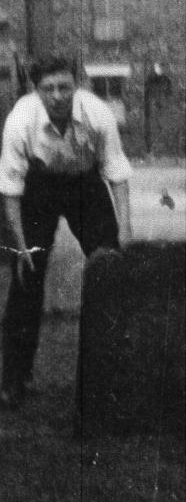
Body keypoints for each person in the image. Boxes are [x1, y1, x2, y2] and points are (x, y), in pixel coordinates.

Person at [0, 54, 132, 409]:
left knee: (110, 269)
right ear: (35, 90)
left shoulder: (97, 113)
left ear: (77, 85)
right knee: (27, 277)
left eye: (64, 87)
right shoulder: (20, 121)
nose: (57, 96)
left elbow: (116, 173)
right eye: (48, 89)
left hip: (85, 187)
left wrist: (126, 233)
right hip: (38, 189)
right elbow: (10, 189)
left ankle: (115, 373)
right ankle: (14, 377)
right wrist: (21, 247)